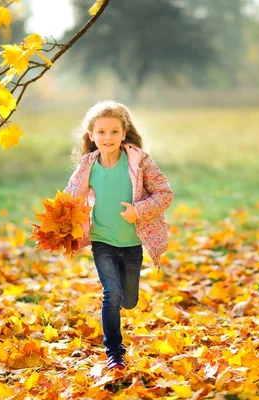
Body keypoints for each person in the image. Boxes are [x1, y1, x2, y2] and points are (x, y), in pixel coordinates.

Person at [64, 100, 173, 371]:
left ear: (124, 134)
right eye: (101, 132)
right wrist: (62, 225)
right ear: (91, 136)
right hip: (103, 240)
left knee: (129, 300)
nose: (108, 137)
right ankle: (114, 352)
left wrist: (139, 211)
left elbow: (164, 194)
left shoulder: (139, 162)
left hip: (133, 242)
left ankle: (125, 308)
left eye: (114, 131)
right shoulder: (88, 165)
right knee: (110, 294)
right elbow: (68, 199)